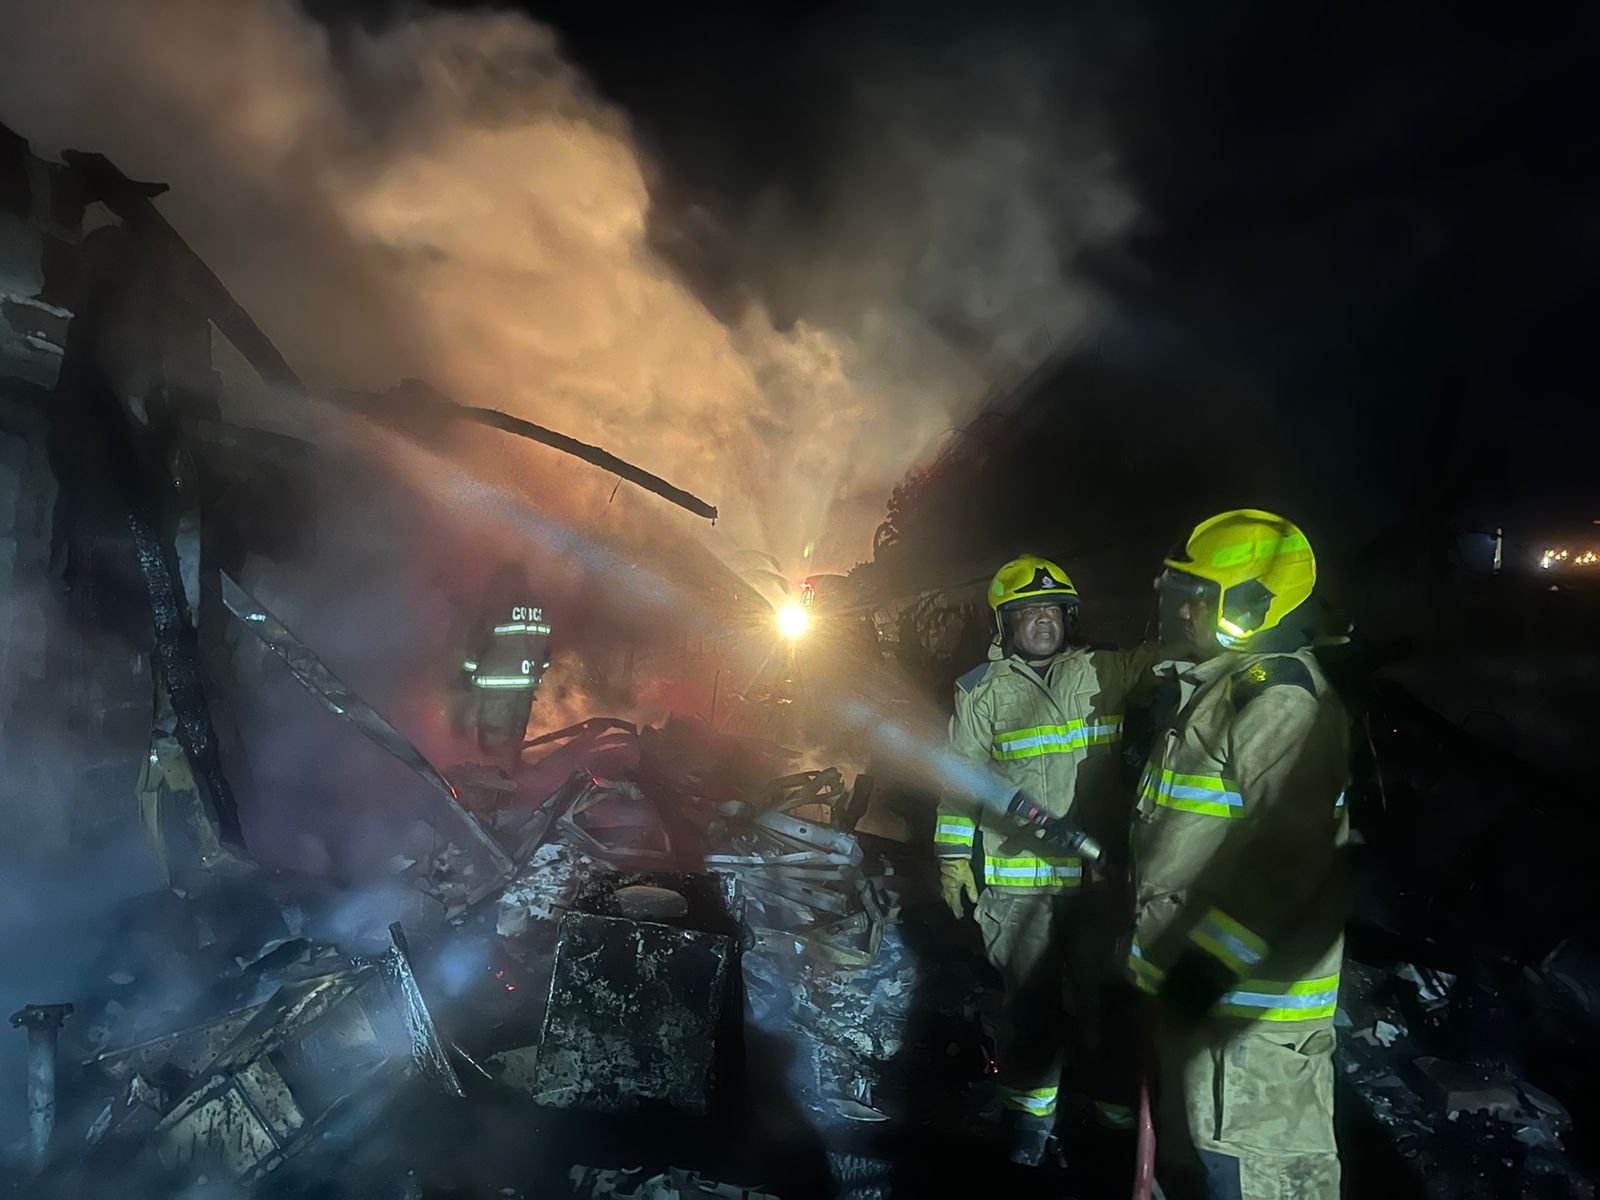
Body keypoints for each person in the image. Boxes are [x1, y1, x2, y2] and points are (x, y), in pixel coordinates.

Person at [1129, 510, 1348, 1199]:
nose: (1183, 611)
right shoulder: (1218, 688)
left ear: (1254, 607)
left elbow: (1295, 859)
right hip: (1200, 1011)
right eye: (1178, 593)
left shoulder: (1277, 699)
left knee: (1248, 1181)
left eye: (1200, 596)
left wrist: (1207, 964)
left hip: (1247, 1031)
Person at [934, 554, 1159, 1164]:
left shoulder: (1105, 670)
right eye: (1027, 612)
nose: (1041, 623)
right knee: (1030, 1013)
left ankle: (1112, 1130)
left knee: (1107, 1005)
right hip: (1018, 889)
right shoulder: (980, 692)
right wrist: (954, 856)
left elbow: (1169, 664)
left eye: (1052, 611)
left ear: (1069, 618)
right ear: (1005, 624)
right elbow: (961, 782)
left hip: (1097, 884)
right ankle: (1027, 1135)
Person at [461, 564, 551, 768]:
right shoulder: (539, 609)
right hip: (526, 688)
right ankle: (512, 783)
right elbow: (547, 649)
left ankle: (491, 790)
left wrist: (467, 670)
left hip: (497, 686)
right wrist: (538, 671)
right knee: (514, 739)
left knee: (493, 743)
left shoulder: (498, 606)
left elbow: (478, 641)